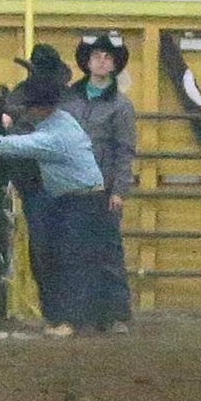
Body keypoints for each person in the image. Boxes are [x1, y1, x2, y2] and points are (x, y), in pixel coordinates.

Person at [0, 69, 122, 336]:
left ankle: (68, 322)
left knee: (68, 260)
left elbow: (15, 146)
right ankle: (75, 319)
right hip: (80, 199)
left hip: (80, 202)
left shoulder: (51, 138)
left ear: (39, 109)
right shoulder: (63, 120)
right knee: (73, 260)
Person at [58, 33, 136, 332]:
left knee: (108, 251)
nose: (102, 61)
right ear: (87, 62)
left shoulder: (122, 106)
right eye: (97, 56)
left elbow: (124, 151)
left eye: (107, 57)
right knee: (71, 250)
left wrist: (119, 191)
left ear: (115, 65)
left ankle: (115, 315)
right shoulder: (67, 100)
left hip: (102, 190)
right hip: (70, 187)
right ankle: (78, 315)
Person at [7, 43, 75, 331]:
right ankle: (64, 314)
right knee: (60, 249)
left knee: (46, 250)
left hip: (39, 185)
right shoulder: (69, 99)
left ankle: (58, 314)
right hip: (57, 185)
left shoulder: (18, 99)